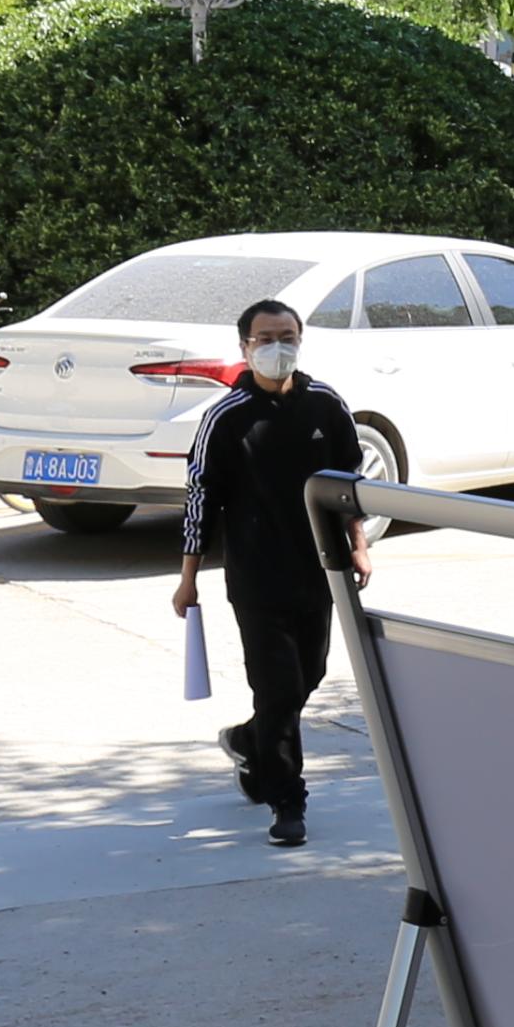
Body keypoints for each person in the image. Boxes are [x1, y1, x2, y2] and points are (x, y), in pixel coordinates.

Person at [174, 296, 374, 847]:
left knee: (309, 675)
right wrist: (188, 577)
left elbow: (349, 485)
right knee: (277, 686)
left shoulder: (326, 405)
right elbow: (200, 498)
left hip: (320, 570)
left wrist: (358, 544)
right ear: (245, 347)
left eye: (287, 337)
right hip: (257, 577)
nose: (276, 347)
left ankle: (248, 740)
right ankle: (287, 801)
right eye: (265, 339)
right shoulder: (226, 417)